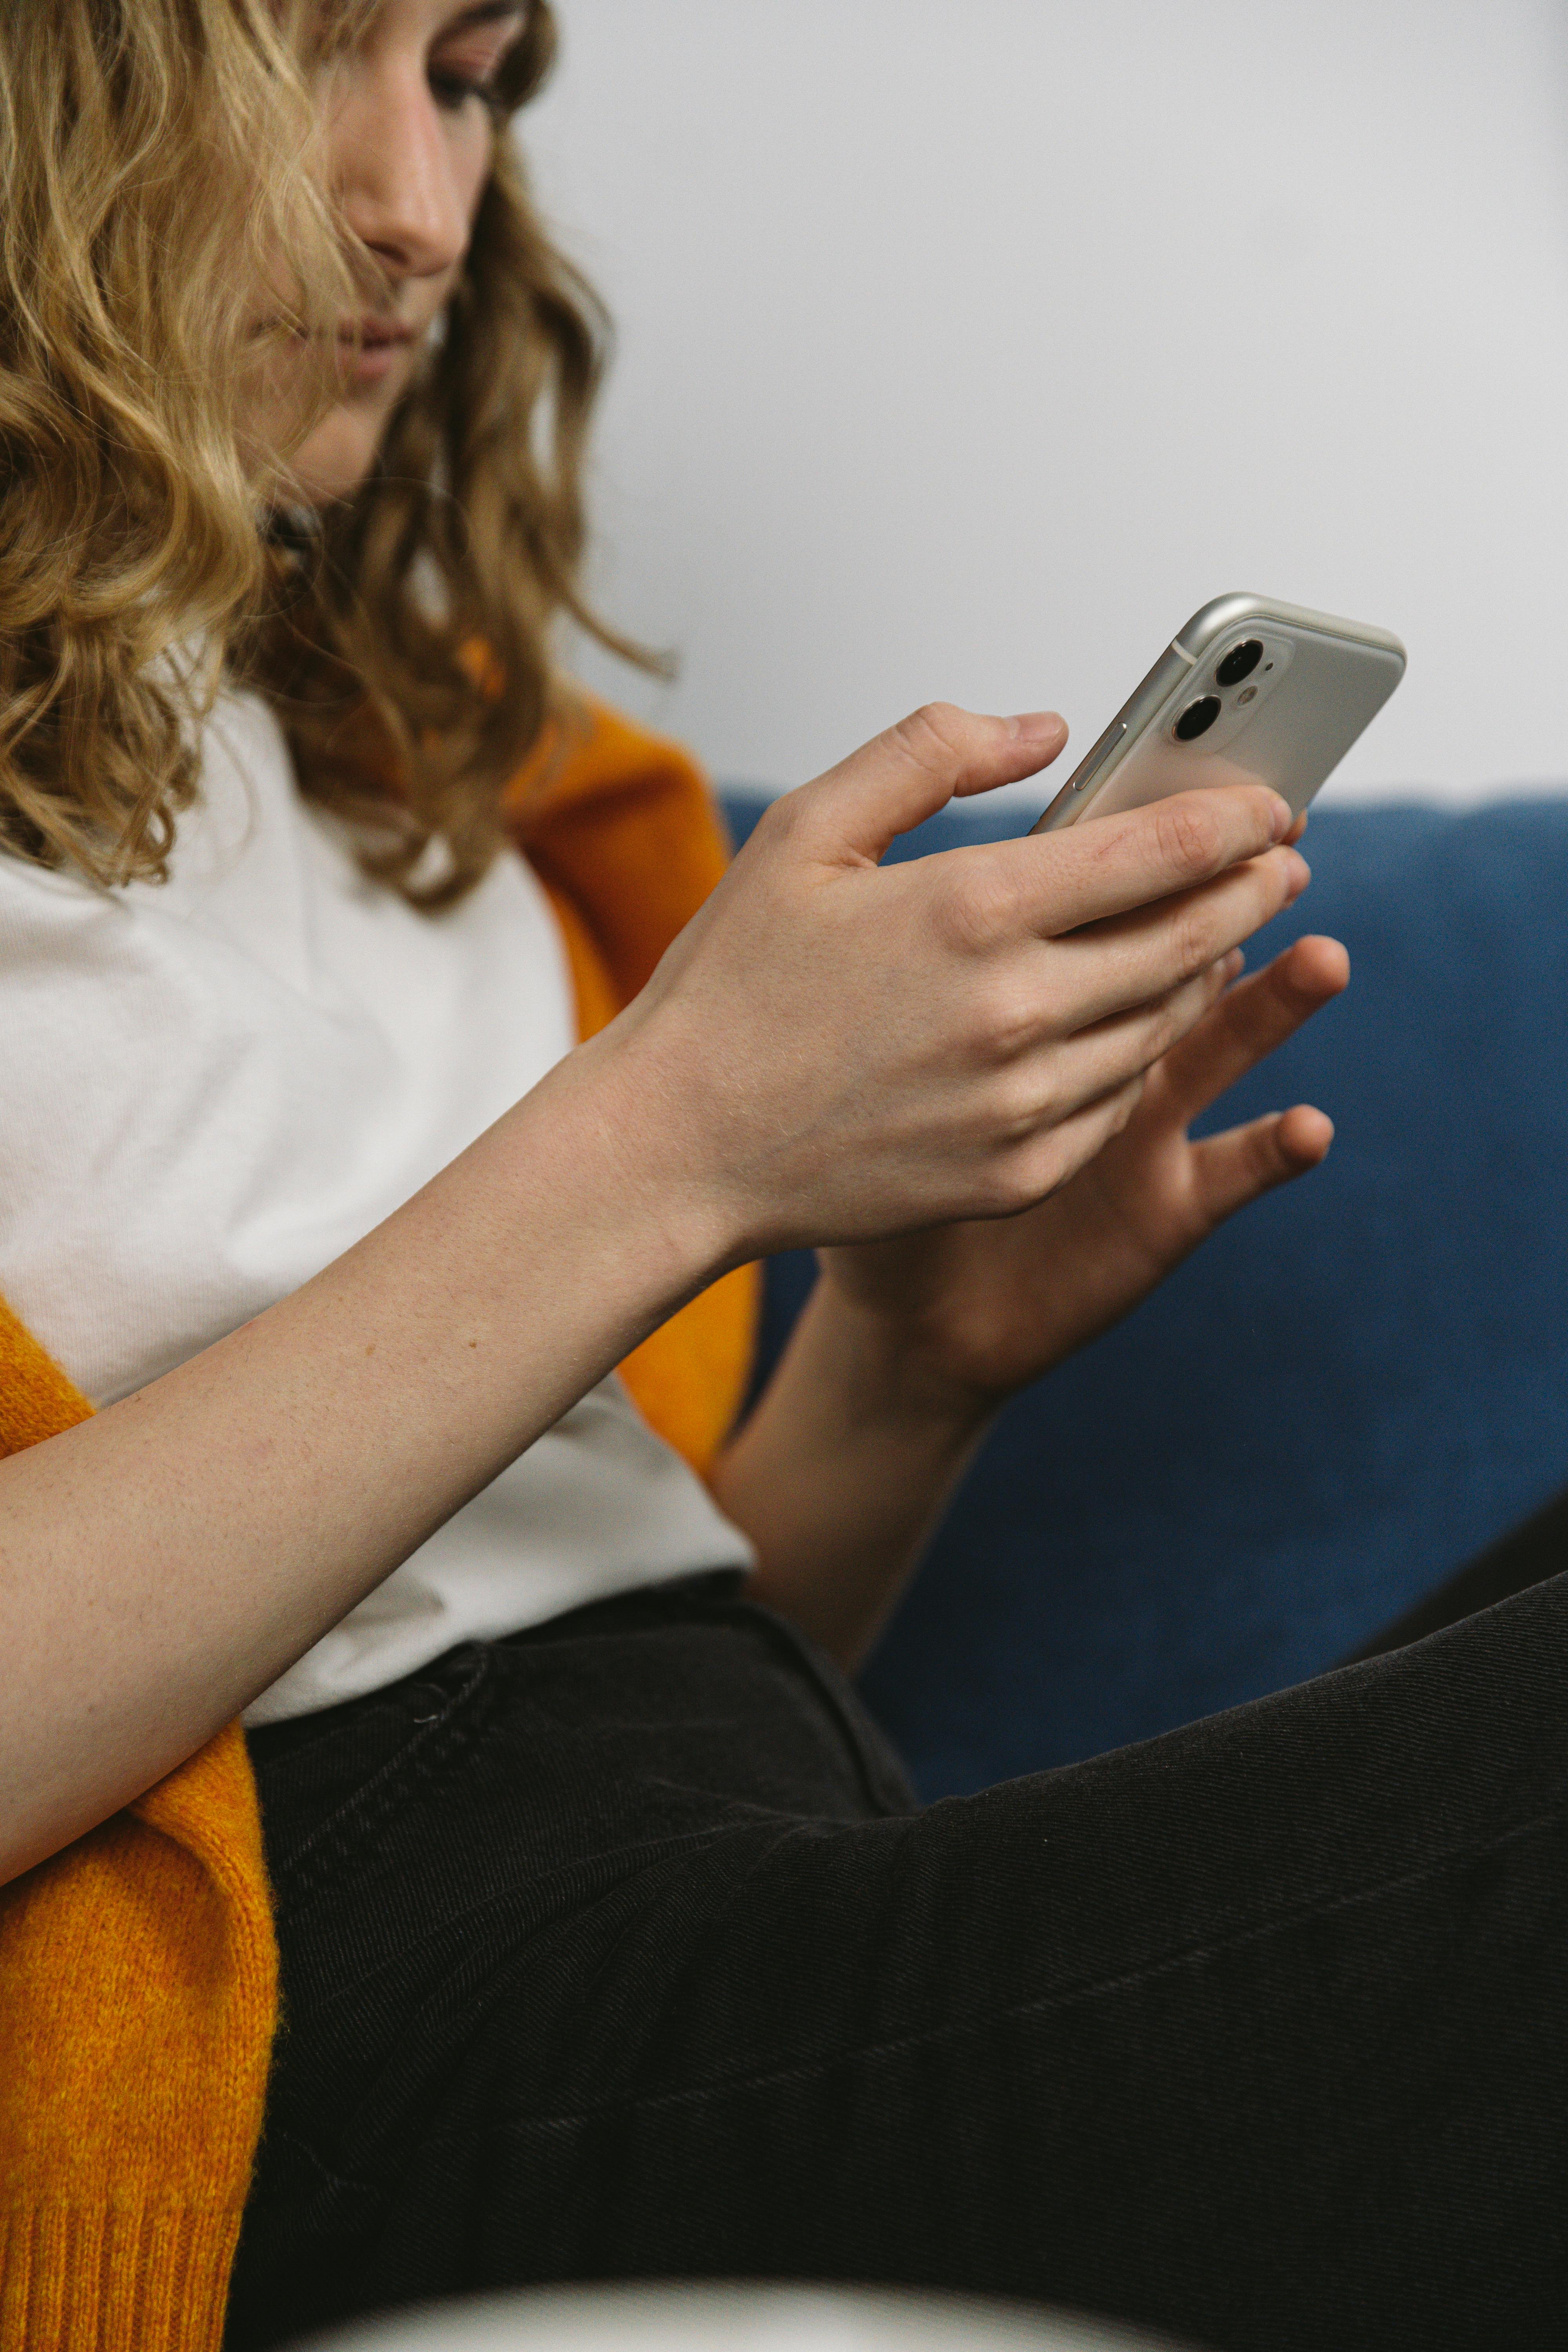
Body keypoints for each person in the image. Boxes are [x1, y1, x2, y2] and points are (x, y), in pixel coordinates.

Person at [0, 4, 1562, 2348]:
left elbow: (640, 1670)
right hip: (331, 2078)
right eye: (319, 50)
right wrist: (675, 1137)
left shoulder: (421, 778)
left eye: (471, 77)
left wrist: (914, 1371)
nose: (422, 207)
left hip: (737, 1929)